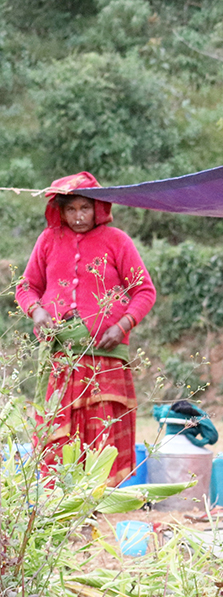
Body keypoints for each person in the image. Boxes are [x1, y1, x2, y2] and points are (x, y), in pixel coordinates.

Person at [15, 172, 156, 486]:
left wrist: (122, 325)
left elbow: (145, 291)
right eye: (71, 209)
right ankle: (61, 497)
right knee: (57, 429)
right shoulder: (48, 241)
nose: (78, 217)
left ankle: (99, 498)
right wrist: (37, 312)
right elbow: (26, 287)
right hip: (61, 357)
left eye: (84, 208)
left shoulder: (118, 241)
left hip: (104, 355)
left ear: (98, 208)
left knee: (101, 428)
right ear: (60, 211)